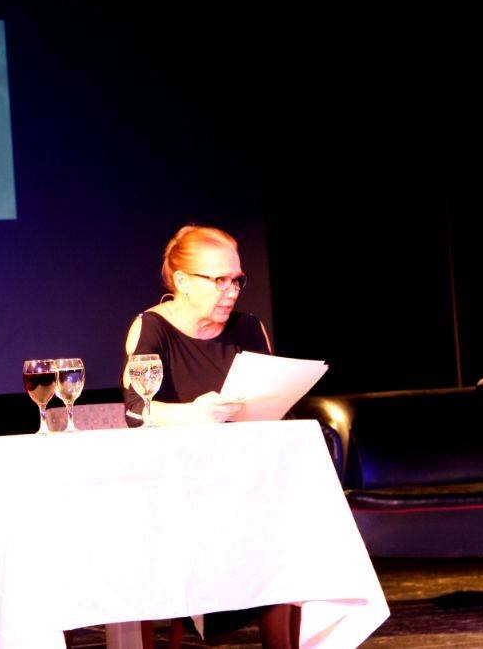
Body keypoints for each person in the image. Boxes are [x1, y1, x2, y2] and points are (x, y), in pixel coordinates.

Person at [121, 224, 300, 649]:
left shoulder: (248, 328)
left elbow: (273, 401)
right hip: (178, 486)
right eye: (219, 280)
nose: (231, 291)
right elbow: (136, 411)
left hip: (245, 480)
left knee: (289, 521)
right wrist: (195, 414)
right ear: (182, 281)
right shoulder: (152, 328)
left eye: (237, 280)